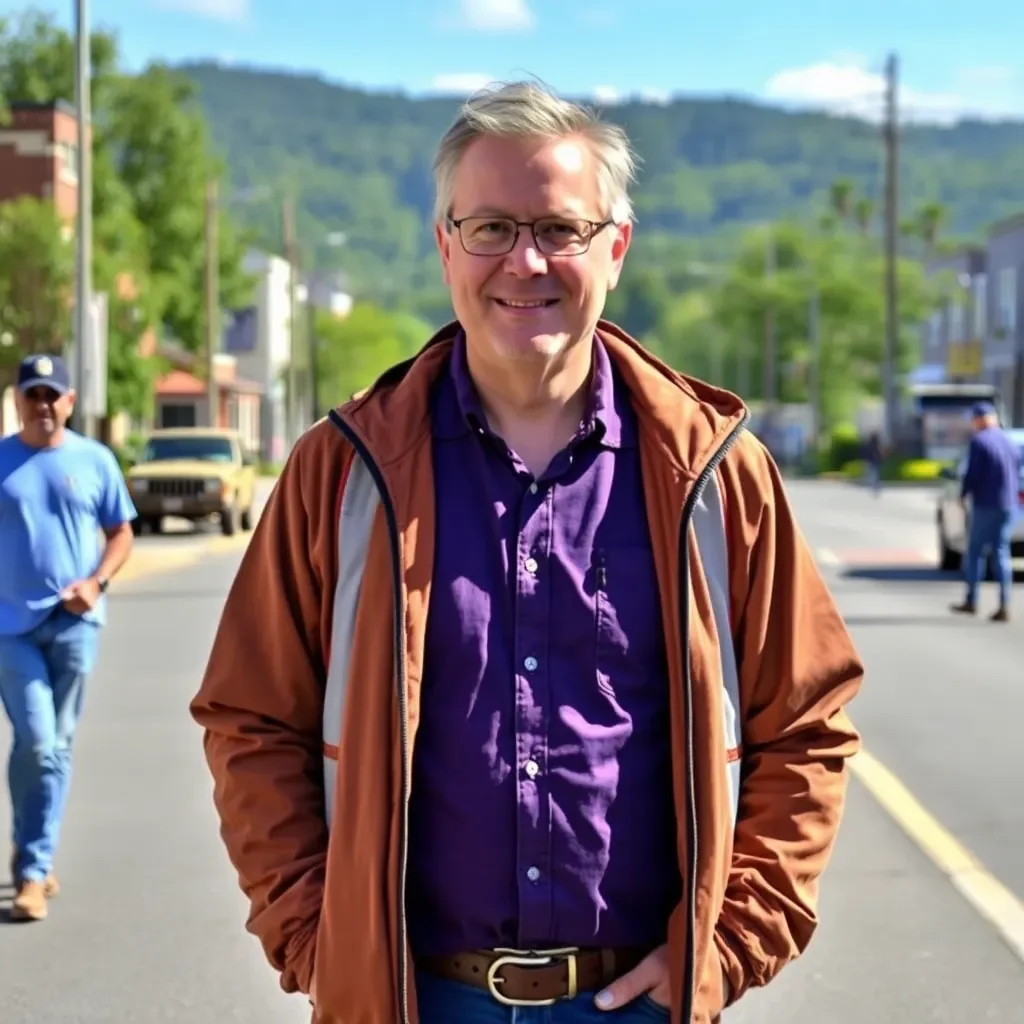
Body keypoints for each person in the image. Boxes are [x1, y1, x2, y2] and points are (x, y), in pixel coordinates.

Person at [191, 81, 864, 1024]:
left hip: (638, 1000)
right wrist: (318, 936)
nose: (526, 260)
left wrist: (727, 944)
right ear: (444, 247)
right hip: (414, 997)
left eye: (559, 229)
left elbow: (806, 721)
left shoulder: (716, 473)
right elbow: (251, 719)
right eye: (491, 229)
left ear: (616, 248)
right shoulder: (342, 473)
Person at [0, 353, 136, 921]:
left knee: (54, 744)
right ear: (17, 400)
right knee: (39, 742)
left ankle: (34, 854)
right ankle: (34, 870)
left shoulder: (95, 460)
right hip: (11, 627)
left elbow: (121, 530)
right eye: (33, 394)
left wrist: (98, 582)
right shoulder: (2, 461)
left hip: (76, 624)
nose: (43, 405)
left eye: (53, 394)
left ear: (70, 401)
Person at [951, 401, 1021, 622]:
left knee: (975, 552)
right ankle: (1004, 604)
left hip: (985, 504)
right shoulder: (1009, 441)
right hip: (1009, 504)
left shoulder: (979, 441)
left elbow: (972, 474)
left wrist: (962, 495)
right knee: (1001, 551)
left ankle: (972, 600)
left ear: (979, 419)